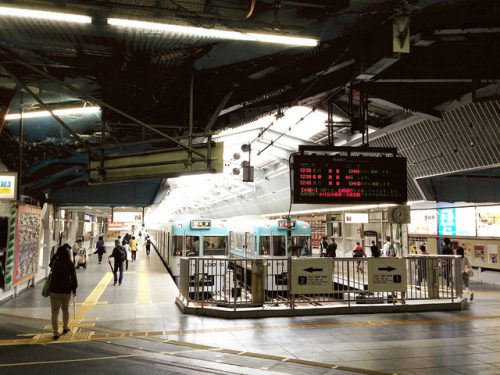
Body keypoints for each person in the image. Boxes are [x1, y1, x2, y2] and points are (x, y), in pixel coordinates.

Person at [48, 245, 78, 340]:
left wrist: (55, 255)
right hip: (66, 290)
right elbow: (74, 278)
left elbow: (50, 265)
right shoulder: (70, 263)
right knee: (65, 310)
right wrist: (74, 289)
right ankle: (65, 327)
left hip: (54, 291)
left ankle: (55, 332)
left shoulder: (55, 263)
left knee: (54, 312)